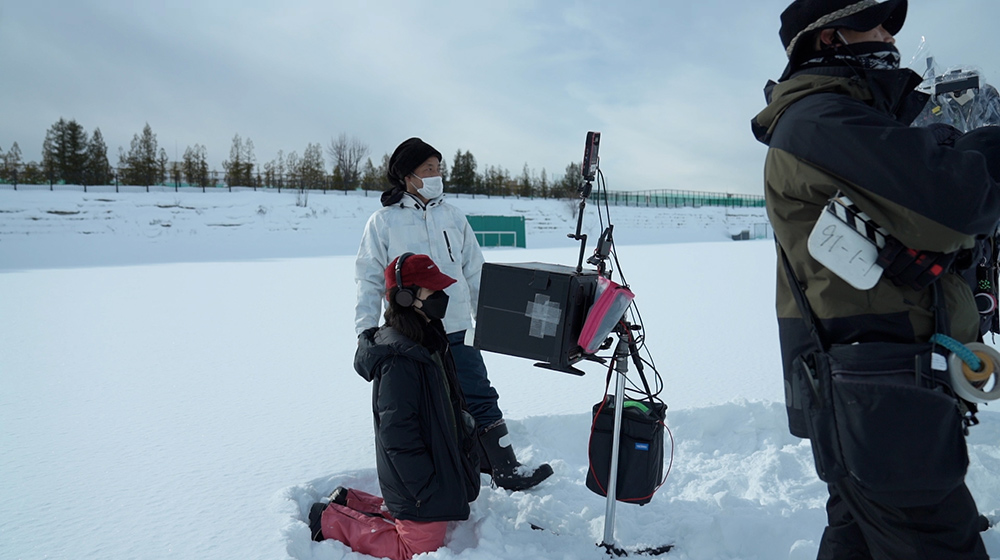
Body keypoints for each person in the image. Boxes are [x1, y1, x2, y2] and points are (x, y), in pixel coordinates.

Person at [752, 0, 1000, 558]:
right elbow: (954, 200)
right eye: (878, 23)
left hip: (874, 388)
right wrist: (985, 146)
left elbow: (921, 221)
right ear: (829, 39)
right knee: (936, 541)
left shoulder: (846, 123)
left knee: (858, 534)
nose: (890, 37)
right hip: (879, 389)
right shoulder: (821, 122)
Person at [354, 137, 552, 491]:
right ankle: (442, 474)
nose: (436, 175)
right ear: (407, 175)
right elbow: (368, 279)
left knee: (478, 395)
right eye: (428, 169)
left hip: (459, 327)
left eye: (438, 168)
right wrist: (365, 330)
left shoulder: (453, 216)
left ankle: (504, 467)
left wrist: (487, 320)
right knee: (425, 406)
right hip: (412, 332)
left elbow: (475, 272)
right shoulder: (382, 222)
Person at [310, 253, 480, 560]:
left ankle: (352, 501)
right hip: (418, 481)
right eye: (433, 292)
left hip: (428, 475)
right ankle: (329, 519)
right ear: (406, 297)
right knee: (416, 547)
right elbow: (397, 435)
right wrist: (424, 490)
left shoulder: (429, 338)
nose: (442, 297)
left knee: (430, 524)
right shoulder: (399, 360)